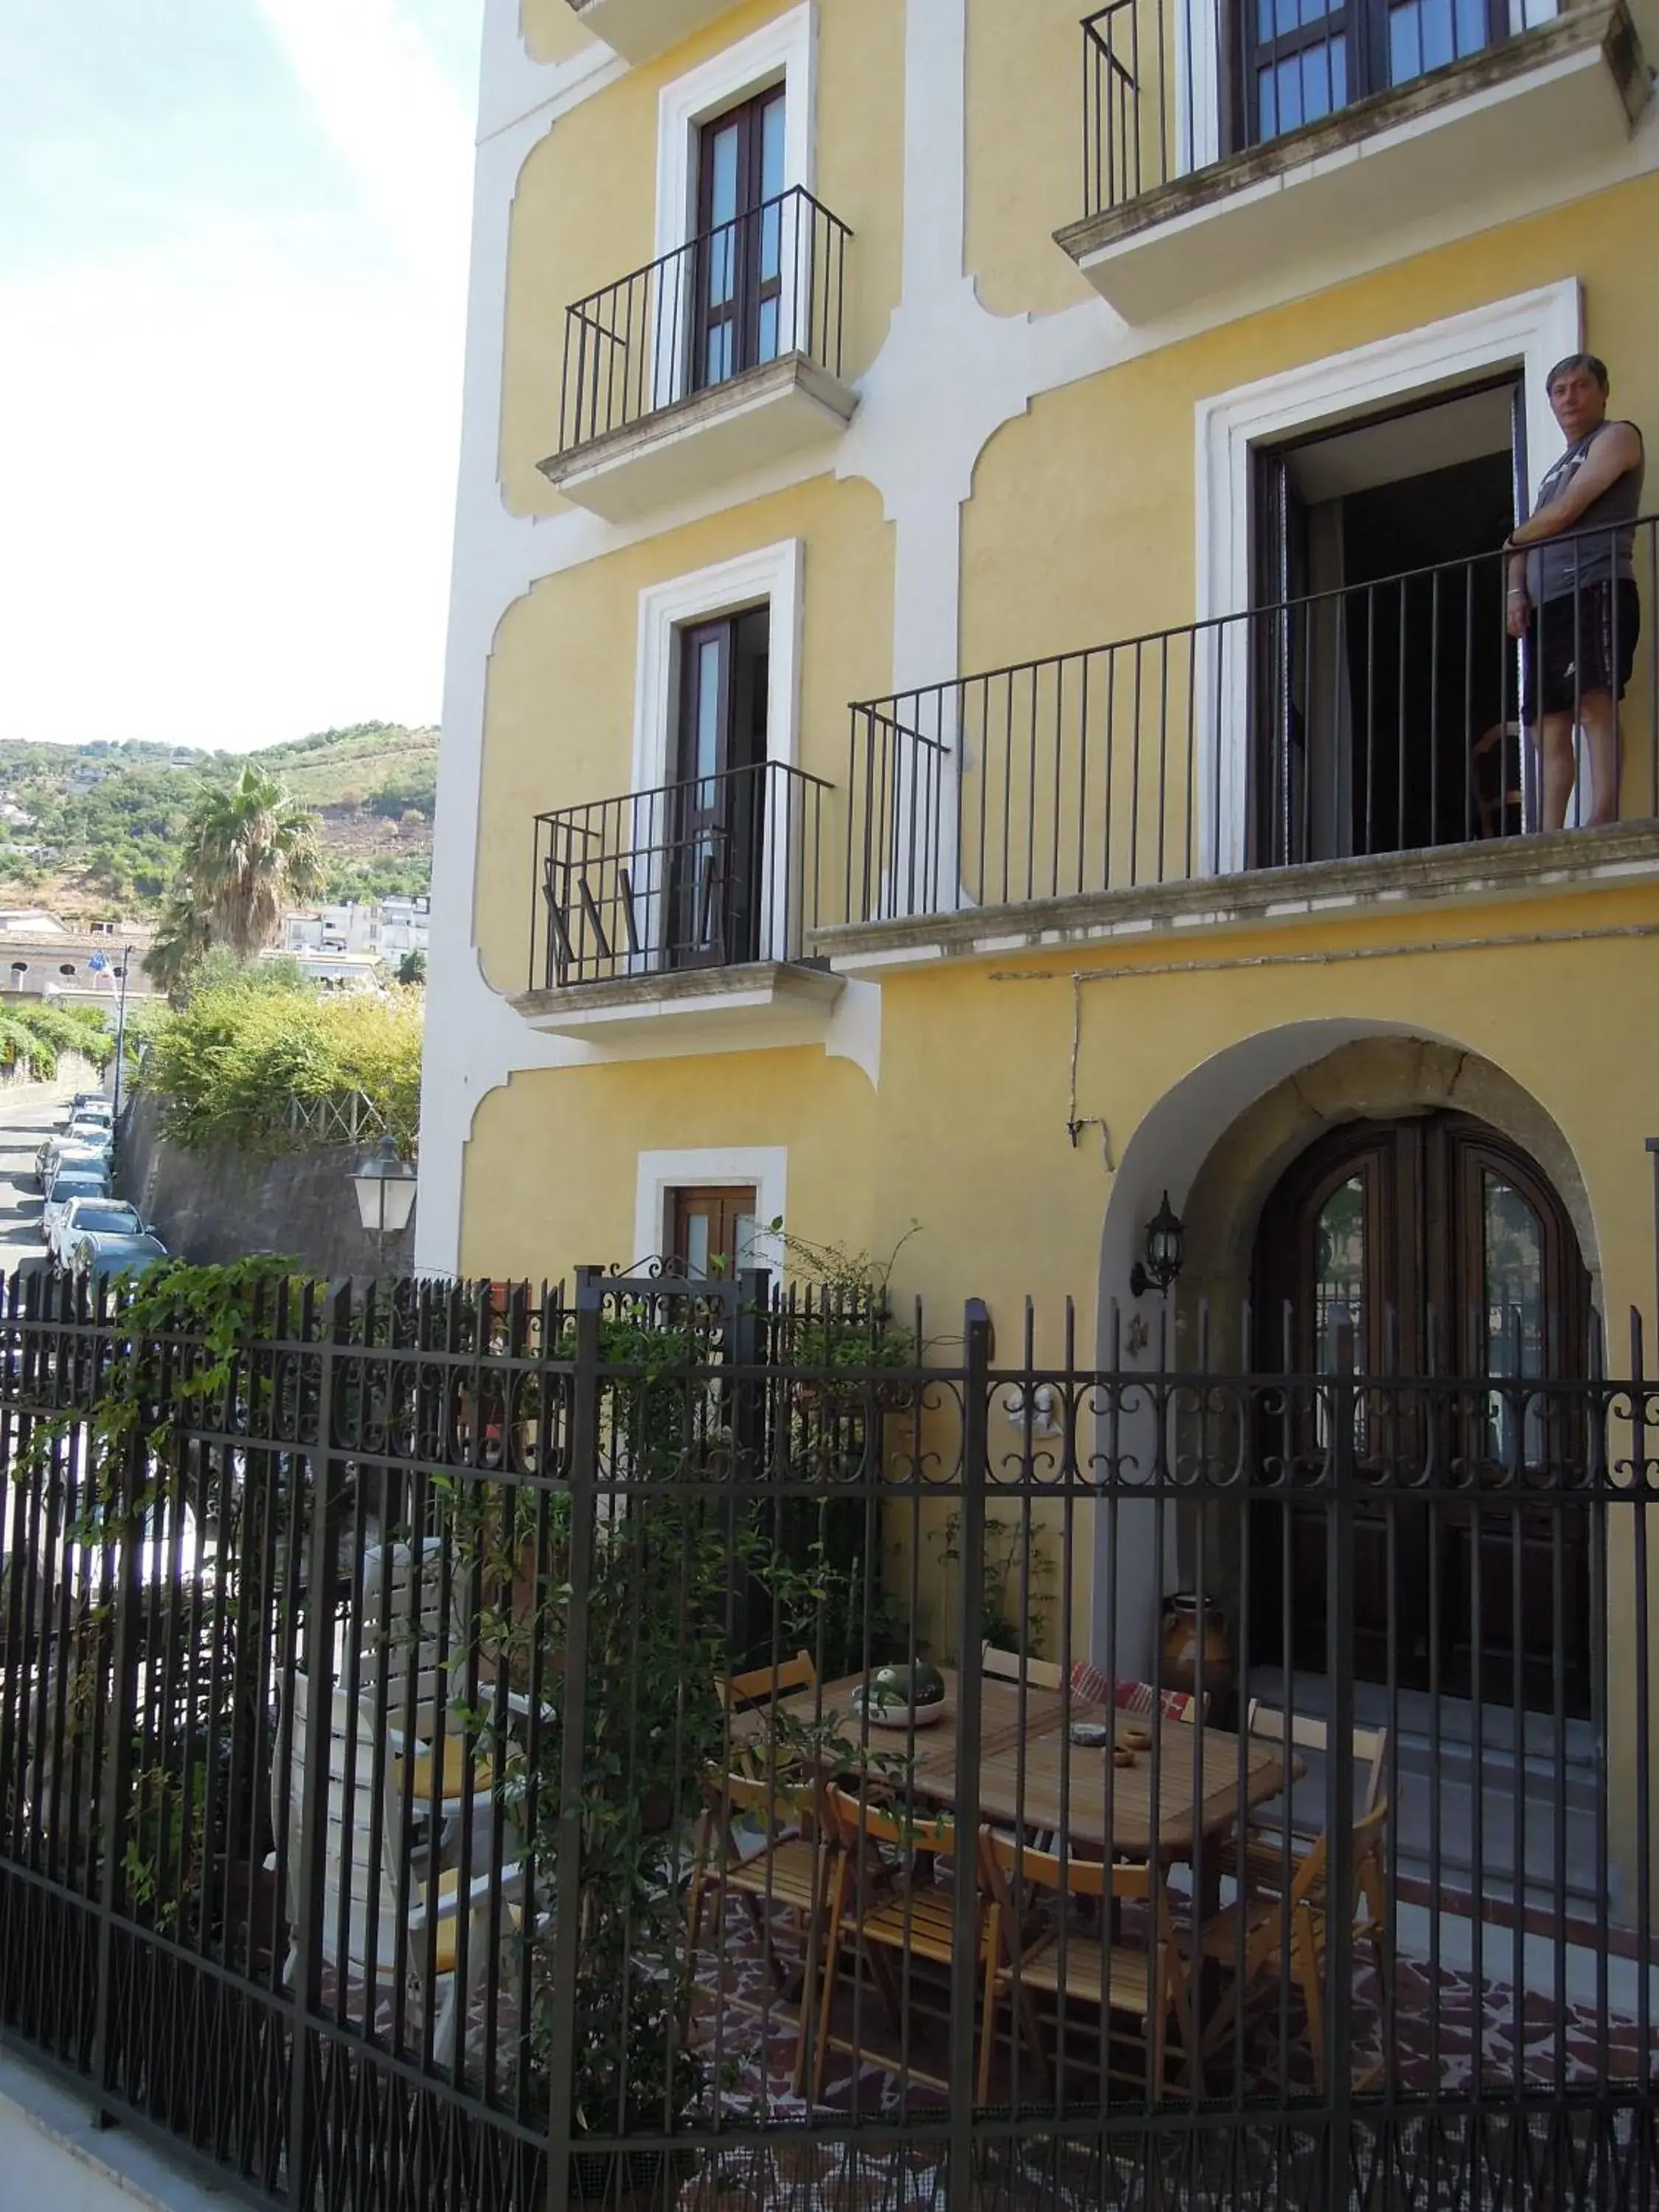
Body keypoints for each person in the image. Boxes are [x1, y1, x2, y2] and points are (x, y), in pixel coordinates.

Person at [1503, 354, 1644, 831]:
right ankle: (1548, 833)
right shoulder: (1549, 473)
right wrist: (1515, 593)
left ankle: (1603, 816)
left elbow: (1568, 510)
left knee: (1594, 704)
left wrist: (1513, 538)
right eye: (1559, 391)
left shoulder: (1617, 437)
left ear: (1603, 392)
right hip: (1547, 608)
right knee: (1548, 726)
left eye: (1580, 386)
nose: (1570, 398)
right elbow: (1524, 540)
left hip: (1595, 588)